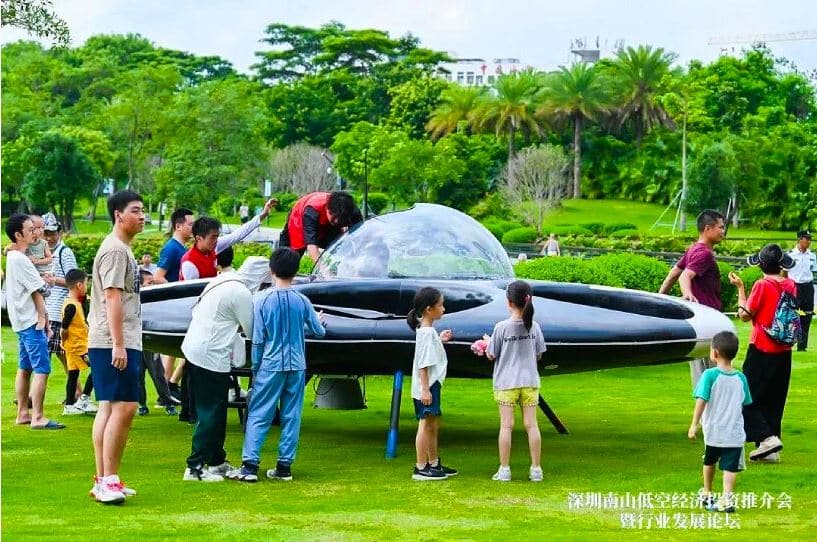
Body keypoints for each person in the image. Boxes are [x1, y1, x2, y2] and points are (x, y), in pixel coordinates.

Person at [226, 248, 325, 483]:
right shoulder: (302, 300)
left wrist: (256, 368)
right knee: (292, 414)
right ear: (295, 272)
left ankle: (250, 466)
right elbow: (319, 331)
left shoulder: (260, 300)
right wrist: (317, 321)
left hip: (270, 363)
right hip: (297, 364)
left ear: (271, 271)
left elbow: (258, 338)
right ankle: (284, 466)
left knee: (260, 413)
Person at [86, 190, 145, 504]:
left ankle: (105, 479)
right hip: (114, 341)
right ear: (118, 215)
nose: (142, 216)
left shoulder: (123, 249)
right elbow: (112, 296)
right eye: (135, 210)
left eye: (143, 210)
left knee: (109, 407)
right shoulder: (115, 250)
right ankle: (108, 480)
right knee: (124, 407)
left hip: (114, 340)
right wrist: (119, 345)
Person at [180, 262, 255, 482]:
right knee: (211, 411)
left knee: (217, 409)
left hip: (197, 348)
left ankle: (216, 460)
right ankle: (195, 466)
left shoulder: (220, 281)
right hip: (210, 354)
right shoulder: (241, 292)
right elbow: (251, 329)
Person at [728, 244, 797, 463]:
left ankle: (766, 438)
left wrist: (740, 288)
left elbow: (745, 315)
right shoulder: (791, 284)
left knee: (746, 395)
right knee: (775, 398)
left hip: (762, 348)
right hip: (784, 350)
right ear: (782, 264)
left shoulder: (761, 285)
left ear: (761, 265)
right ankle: (771, 449)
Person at [482, 280, 546, 482]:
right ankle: (536, 469)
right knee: (532, 425)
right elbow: (538, 355)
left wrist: (486, 344)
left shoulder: (501, 327)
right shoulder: (534, 327)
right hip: (529, 382)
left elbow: (492, 355)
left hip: (506, 383)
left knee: (506, 426)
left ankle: (504, 469)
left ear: (508, 302)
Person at [5, 213, 64, 430]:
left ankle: (23, 413)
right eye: (31, 230)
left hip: (21, 321)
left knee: (25, 367)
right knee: (42, 368)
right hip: (31, 321)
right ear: (19, 235)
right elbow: (38, 291)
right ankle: (38, 417)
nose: (36, 233)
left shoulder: (13, 257)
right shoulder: (21, 260)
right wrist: (44, 318)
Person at [658, 209, 726, 388]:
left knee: (703, 376)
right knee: (712, 378)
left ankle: (705, 415)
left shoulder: (694, 250)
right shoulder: (703, 254)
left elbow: (674, 274)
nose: (723, 231)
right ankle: (709, 416)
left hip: (700, 323)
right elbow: (684, 276)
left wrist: (660, 297)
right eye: (720, 227)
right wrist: (687, 294)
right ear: (708, 228)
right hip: (708, 321)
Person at [688, 331, 752, 513]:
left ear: (714, 353)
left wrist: (694, 423)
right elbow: (745, 402)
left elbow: (701, 400)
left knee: (709, 462)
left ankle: (707, 491)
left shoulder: (710, 375)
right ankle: (727, 499)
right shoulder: (741, 378)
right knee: (730, 467)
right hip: (734, 432)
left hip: (714, 430)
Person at [407, 287, 457, 481]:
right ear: (429, 309)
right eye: (441, 305)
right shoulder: (427, 333)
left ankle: (434, 463)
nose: (443, 309)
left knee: (433, 424)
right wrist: (425, 390)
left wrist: (440, 339)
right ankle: (421, 467)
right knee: (425, 423)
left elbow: (428, 352)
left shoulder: (428, 331)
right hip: (427, 386)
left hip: (431, 384)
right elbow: (424, 364)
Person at [42, 212, 84, 401]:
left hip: (60, 309)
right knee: (60, 354)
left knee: (57, 354)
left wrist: (53, 281)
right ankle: (76, 392)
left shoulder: (64, 253)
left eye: (52, 233)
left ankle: (77, 393)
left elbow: (73, 281)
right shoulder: (44, 252)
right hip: (48, 309)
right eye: (46, 233)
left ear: (59, 232)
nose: (49, 237)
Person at [154, 208, 194, 404]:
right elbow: (158, 276)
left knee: (180, 351)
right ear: (179, 226)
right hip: (173, 306)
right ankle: (166, 390)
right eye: (190, 224)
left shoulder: (184, 248)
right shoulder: (171, 248)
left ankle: (171, 387)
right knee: (171, 351)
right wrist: (177, 289)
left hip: (182, 306)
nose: (192, 228)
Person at [179, 199, 274, 280]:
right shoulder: (189, 263)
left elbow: (238, 235)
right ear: (198, 238)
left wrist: (263, 215)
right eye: (212, 237)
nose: (216, 240)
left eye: (217, 236)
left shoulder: (213, 246)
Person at [135, 270, 178, 417]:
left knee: (157, 373)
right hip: (136, 343)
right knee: (138, 375)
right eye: (149, 282)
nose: (152, 285)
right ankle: (141, 404)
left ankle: (167, 402)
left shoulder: (153, 300)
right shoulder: (133, 300)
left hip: (150, 342)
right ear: (140, 284)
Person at [278, 191, 362, 263]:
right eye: (333, 216)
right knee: (288, 260)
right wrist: (324, 271)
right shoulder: (311, 212)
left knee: (340, 247)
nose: (336, 220)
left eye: (340, 218)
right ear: (327, 209)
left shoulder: (352, 212)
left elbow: (358, 240)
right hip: (298, 221)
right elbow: (311, 246)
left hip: (327, 226)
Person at [60, 269, 96, 415]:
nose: (87, 287)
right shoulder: (71, 306)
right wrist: (63, 342)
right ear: (79, 285)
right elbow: (63, 329)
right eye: (86, 284)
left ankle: (69, 406)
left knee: (73, 375)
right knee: (98, 367)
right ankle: (84, 400)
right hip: (78, 346)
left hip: (75, 345)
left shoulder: (74, 303)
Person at [786, 230, 815, 351]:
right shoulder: (791, 255)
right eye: (806, 239)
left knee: (807, 315)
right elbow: (784, 273)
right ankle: (788, 342)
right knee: (792, 315)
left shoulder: (812, 256)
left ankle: (802, 346)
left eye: (810, 239)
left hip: (808, 287)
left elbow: (813, 271)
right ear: (799, 239)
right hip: (795, 286)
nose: (808, 241)